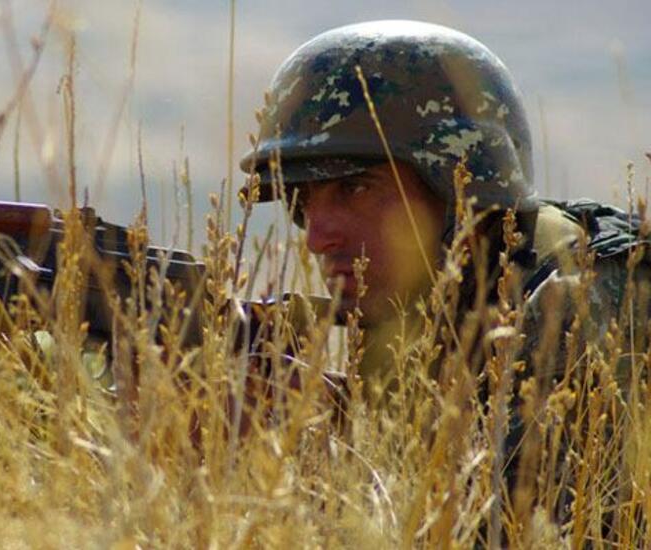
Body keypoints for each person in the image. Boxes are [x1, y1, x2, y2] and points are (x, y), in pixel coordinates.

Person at [239, 19, 649, 533]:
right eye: (301, 200)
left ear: (463, 193)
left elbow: (509, 534)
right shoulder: (434, 315)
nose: (316, 238)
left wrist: (305, 462)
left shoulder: (579, 303)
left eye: (355, 189)